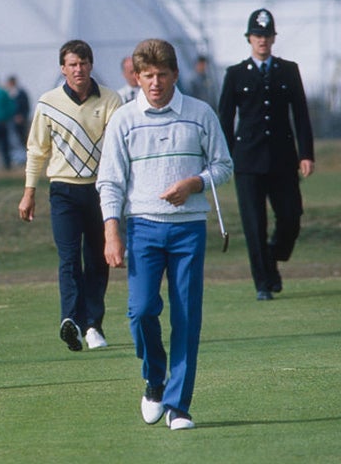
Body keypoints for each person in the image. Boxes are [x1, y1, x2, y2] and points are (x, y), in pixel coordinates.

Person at [97, 38, 233, 431]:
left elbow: (223, 165)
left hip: (189, 228)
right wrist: (111, 232)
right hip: (143, 227)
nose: (155, 83)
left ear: (174, 74)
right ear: (136, 77)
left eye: (161, 75)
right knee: (141, 311)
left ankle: (179, 406)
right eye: (147, 76)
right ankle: (154, 379)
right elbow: (110, 182)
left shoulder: (200, 113)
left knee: (186, 316)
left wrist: (194, 183)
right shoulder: (124, 119)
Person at [18, 40, 122, 352]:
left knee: (97, 259)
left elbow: (118, 148)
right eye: (72, 64)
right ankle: (71, 320)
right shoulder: (48, 102)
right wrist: (29, 192)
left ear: (91, 65)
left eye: (83, 63)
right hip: (62, 190)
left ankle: (93, 325)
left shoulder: (111, 99)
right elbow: (37, 150)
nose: (79, 69)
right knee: (68, 258)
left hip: (101, 190)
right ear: (63, 68)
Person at [218, 8, 315, 301]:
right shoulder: (235, 74)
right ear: (249, 38)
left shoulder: (288, 70)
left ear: (274, 38)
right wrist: (225, 157)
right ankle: (263, 282)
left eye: (267, 35)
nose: (262, 40)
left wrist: (306, 153)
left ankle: (273, 254)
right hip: (247, 160)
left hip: (282, 158)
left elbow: (301, 114)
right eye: (257, 35)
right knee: (254, 224)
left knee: (291, 215)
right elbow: (225, 119)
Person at [6, 75, 31, 155]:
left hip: (20, 119)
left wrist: (22, 116)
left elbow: (25, 105)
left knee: (22, 137)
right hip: (11, 119)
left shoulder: (21, 93)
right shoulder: (8, 93)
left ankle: (26, 154)